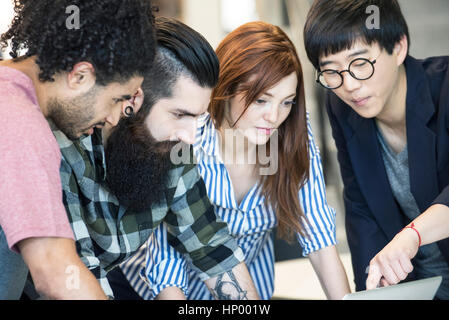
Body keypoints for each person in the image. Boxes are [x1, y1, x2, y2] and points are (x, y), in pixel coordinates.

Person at [114, 21, 351, 300]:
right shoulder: (186, 138)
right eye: (261, 100)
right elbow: (166, 259)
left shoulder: (291, 134)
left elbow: (317, 230)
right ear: (226, 87)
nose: (274, 117)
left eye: (286, 102)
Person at [51, 17, 259, 300]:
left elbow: (212, 247)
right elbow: (72, 275)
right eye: (179, 114)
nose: (191, 136)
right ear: (133, 99)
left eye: (198, 117)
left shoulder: (173, 148)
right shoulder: (64, 145)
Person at [0, 0, 155, 300]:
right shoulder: (19, 122)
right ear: (80, 76)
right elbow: (56, 273)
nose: (114, 118)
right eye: (116, 99)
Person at [304, 0, 449, 298]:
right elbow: (360, 209)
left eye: (360, 64)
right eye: (331, 71)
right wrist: (368, 294)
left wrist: (413, 234)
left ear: (398, 47)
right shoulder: (342, 108)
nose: (349, 86)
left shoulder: (445, 87)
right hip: (421, 287)